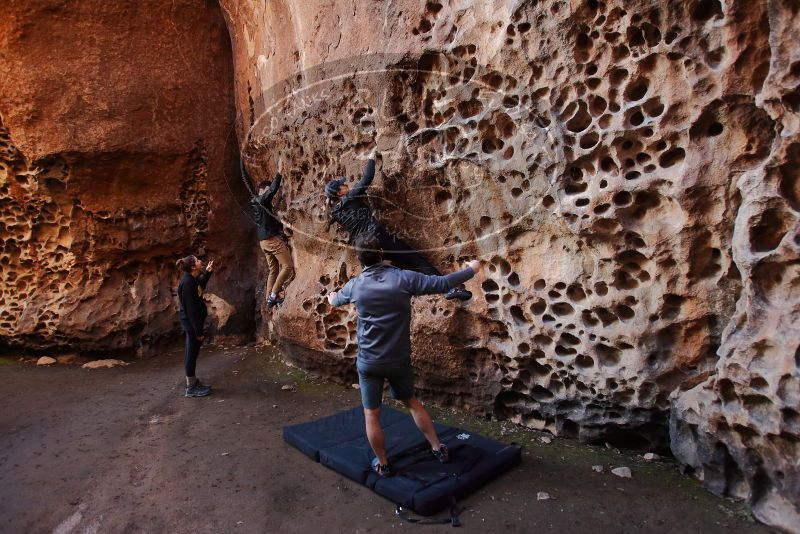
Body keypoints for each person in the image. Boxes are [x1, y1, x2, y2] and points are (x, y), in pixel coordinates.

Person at [327, 233, 482, 476]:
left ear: (359, 258)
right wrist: (471, 270)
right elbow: (443, 283)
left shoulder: (355, 286)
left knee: (371, 414)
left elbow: (335, 301)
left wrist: (331, 297)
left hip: (369, 362)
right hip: (398, 360)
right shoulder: (402, 278)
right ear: (381, 253)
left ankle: (383, 464)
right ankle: (437, 448)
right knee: (411, 402)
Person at [324, 147, 472, 301]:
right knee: (416, 260)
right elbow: (367, 178)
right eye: (342, 185)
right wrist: (371, 157)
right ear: (339, 193)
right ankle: (447, 289)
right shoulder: (350, 198)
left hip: (365, 249)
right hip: (377, 238)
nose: (345, 184)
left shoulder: (335, 213)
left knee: (387, 274)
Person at [245, 158, 294, 308]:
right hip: (270, 240)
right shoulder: (260, 200)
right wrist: (279, 173)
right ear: (261, 191)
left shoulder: (256, 204)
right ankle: (273, 295)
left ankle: (268, 299)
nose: (268, 194)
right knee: (287, 266)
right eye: (265, 191)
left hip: (263, 242)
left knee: (273, 270)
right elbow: (272, 190)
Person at [176, 255, 216, 398]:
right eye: (198, 260)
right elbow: (191, 311)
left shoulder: (192, 280)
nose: (201, 261)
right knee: (191, 353)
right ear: (193, 267)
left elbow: (200, 286)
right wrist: (198, 331)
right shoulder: (187, 283)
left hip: (193, 323)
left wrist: (208, 272)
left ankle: (193, 383)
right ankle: (191, 387)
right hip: (191, 324)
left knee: (193, 352)